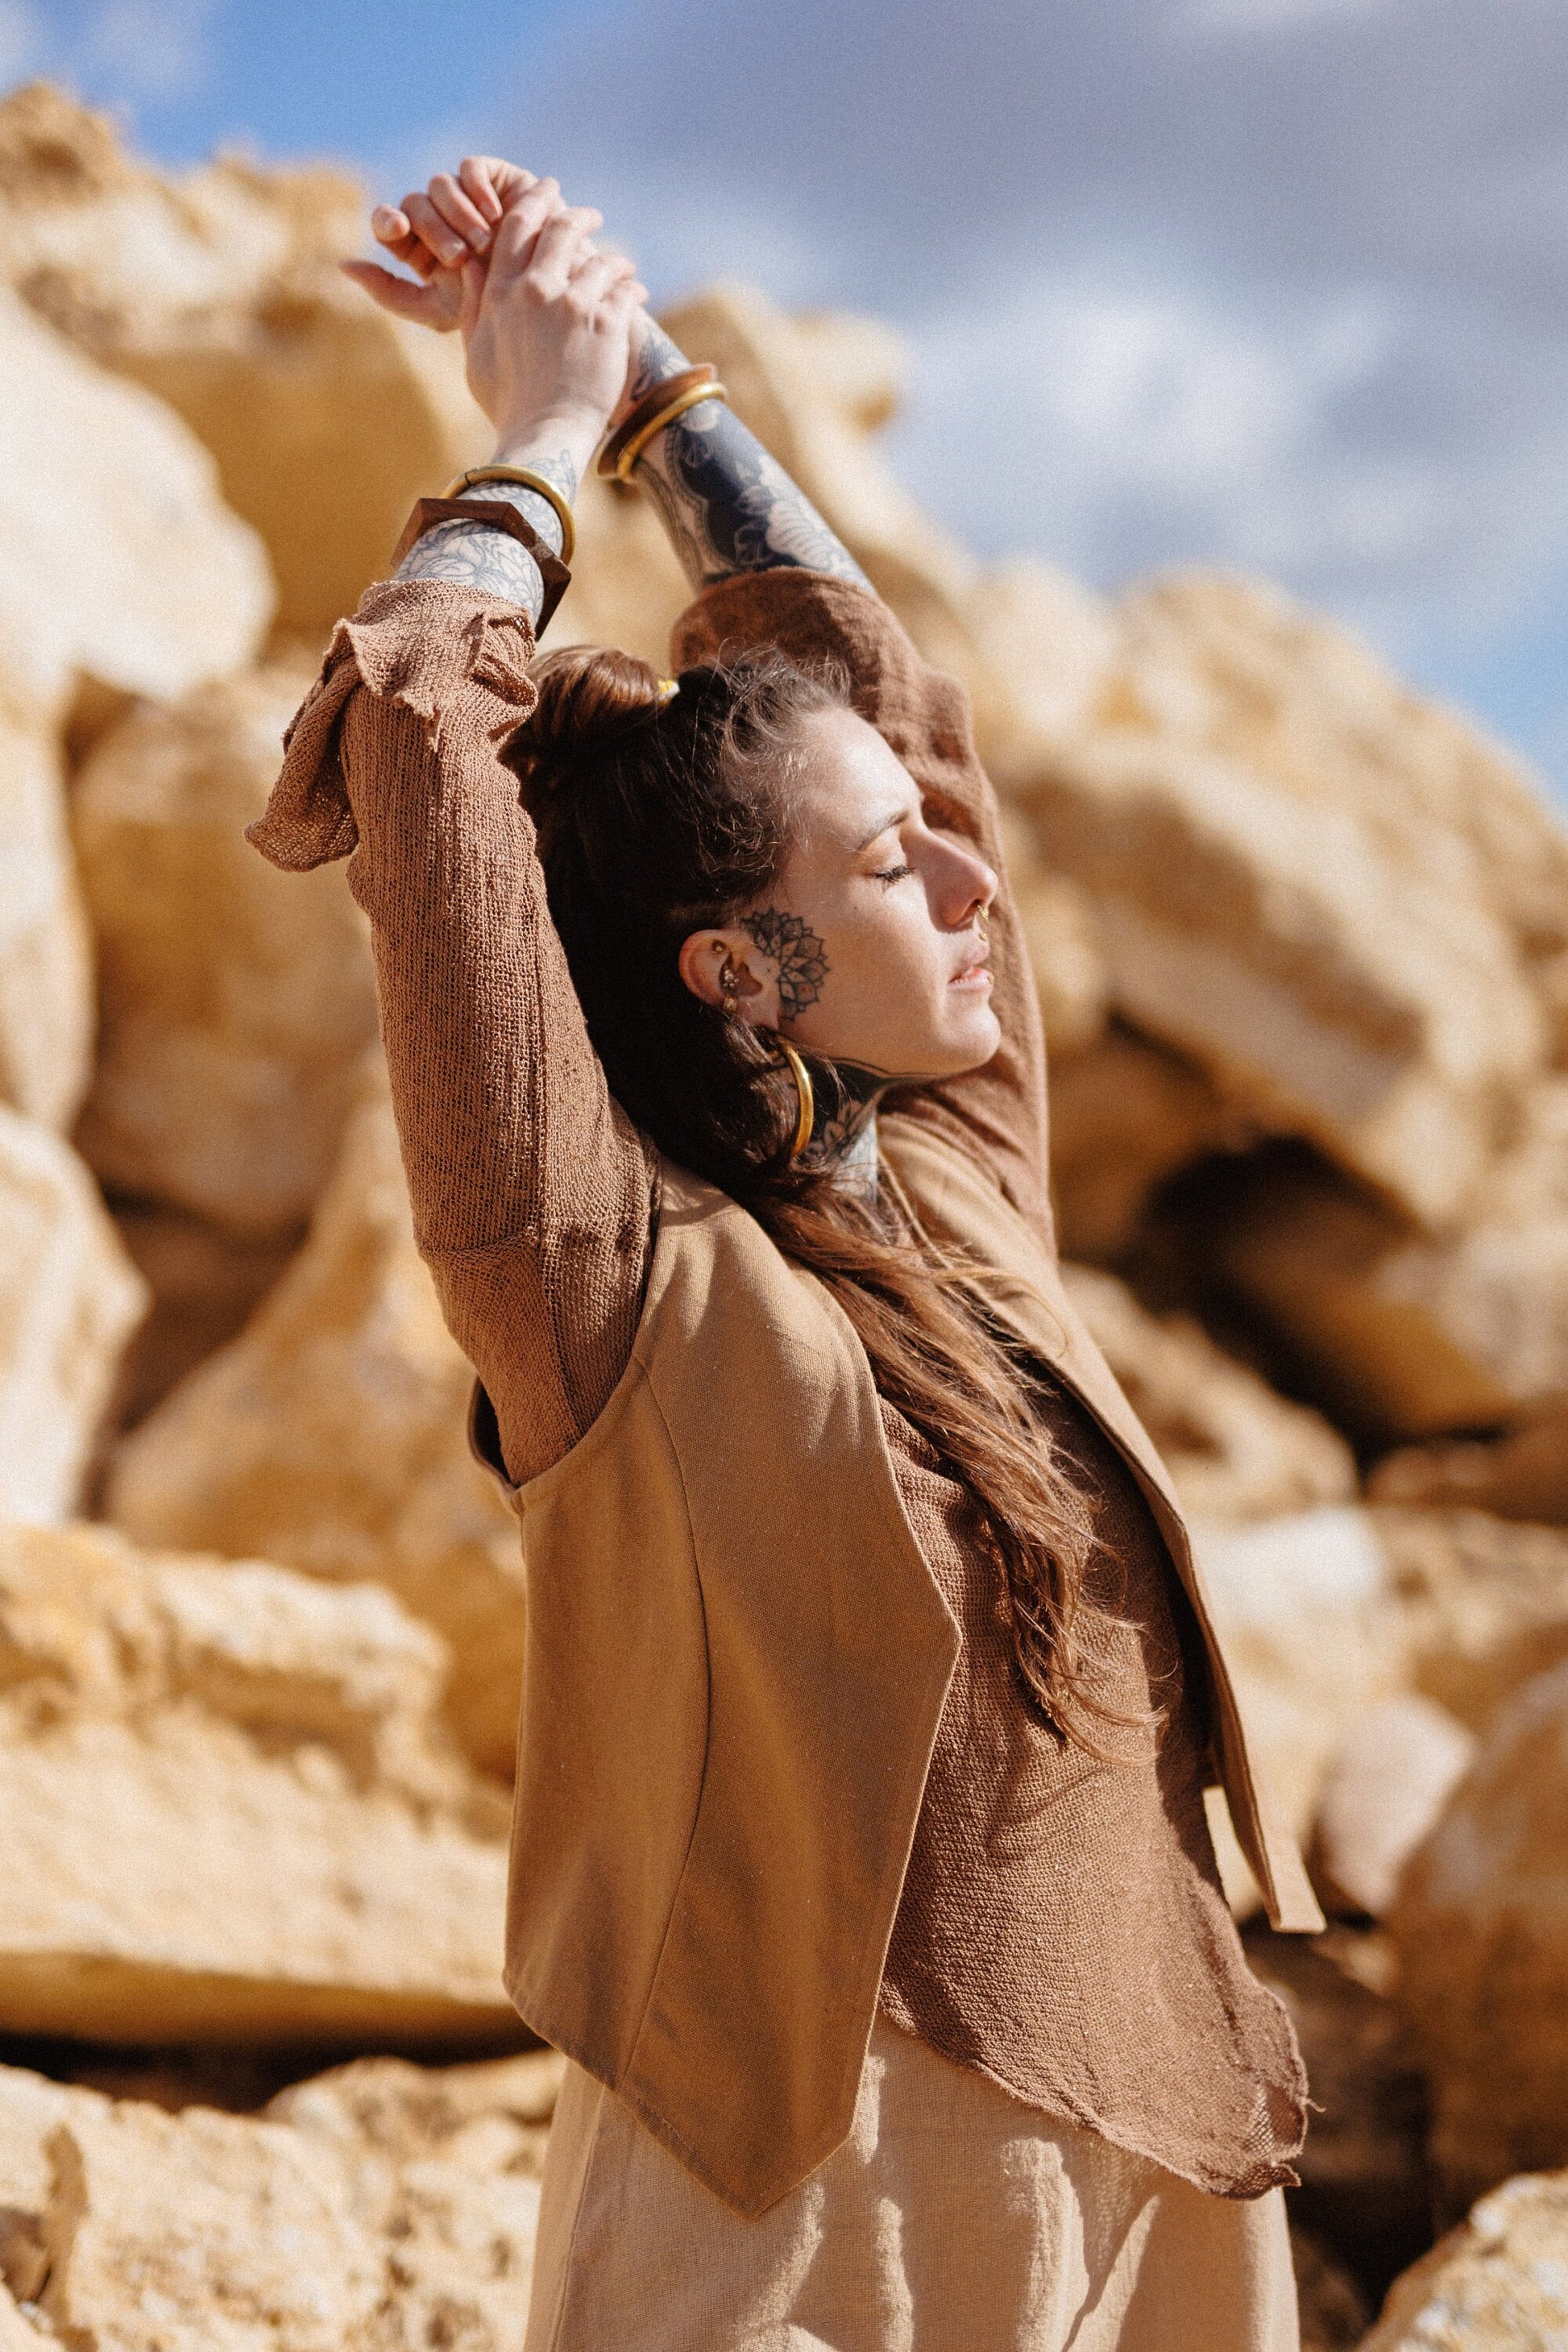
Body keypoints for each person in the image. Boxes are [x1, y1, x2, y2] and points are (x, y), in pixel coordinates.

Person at [252, 157, 1324, 2352]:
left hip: (1171, 2170)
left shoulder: (955, 1185)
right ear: (739, 971)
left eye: (948, 857)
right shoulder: (593, 1268)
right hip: (813, 2201)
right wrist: (533, 434)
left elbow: (877, 694)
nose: (970, 887)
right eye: (895, 871)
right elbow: (422, 750)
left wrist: (652, 381)